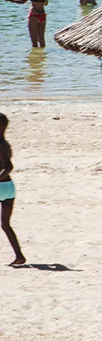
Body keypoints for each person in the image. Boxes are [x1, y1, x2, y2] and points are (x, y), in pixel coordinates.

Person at [0, 114, 26, 266]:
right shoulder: (6, 144)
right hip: (9, 187)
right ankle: (19, 256)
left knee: (5, 224)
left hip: (1, 185)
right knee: (5, 224)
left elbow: (8, 166)